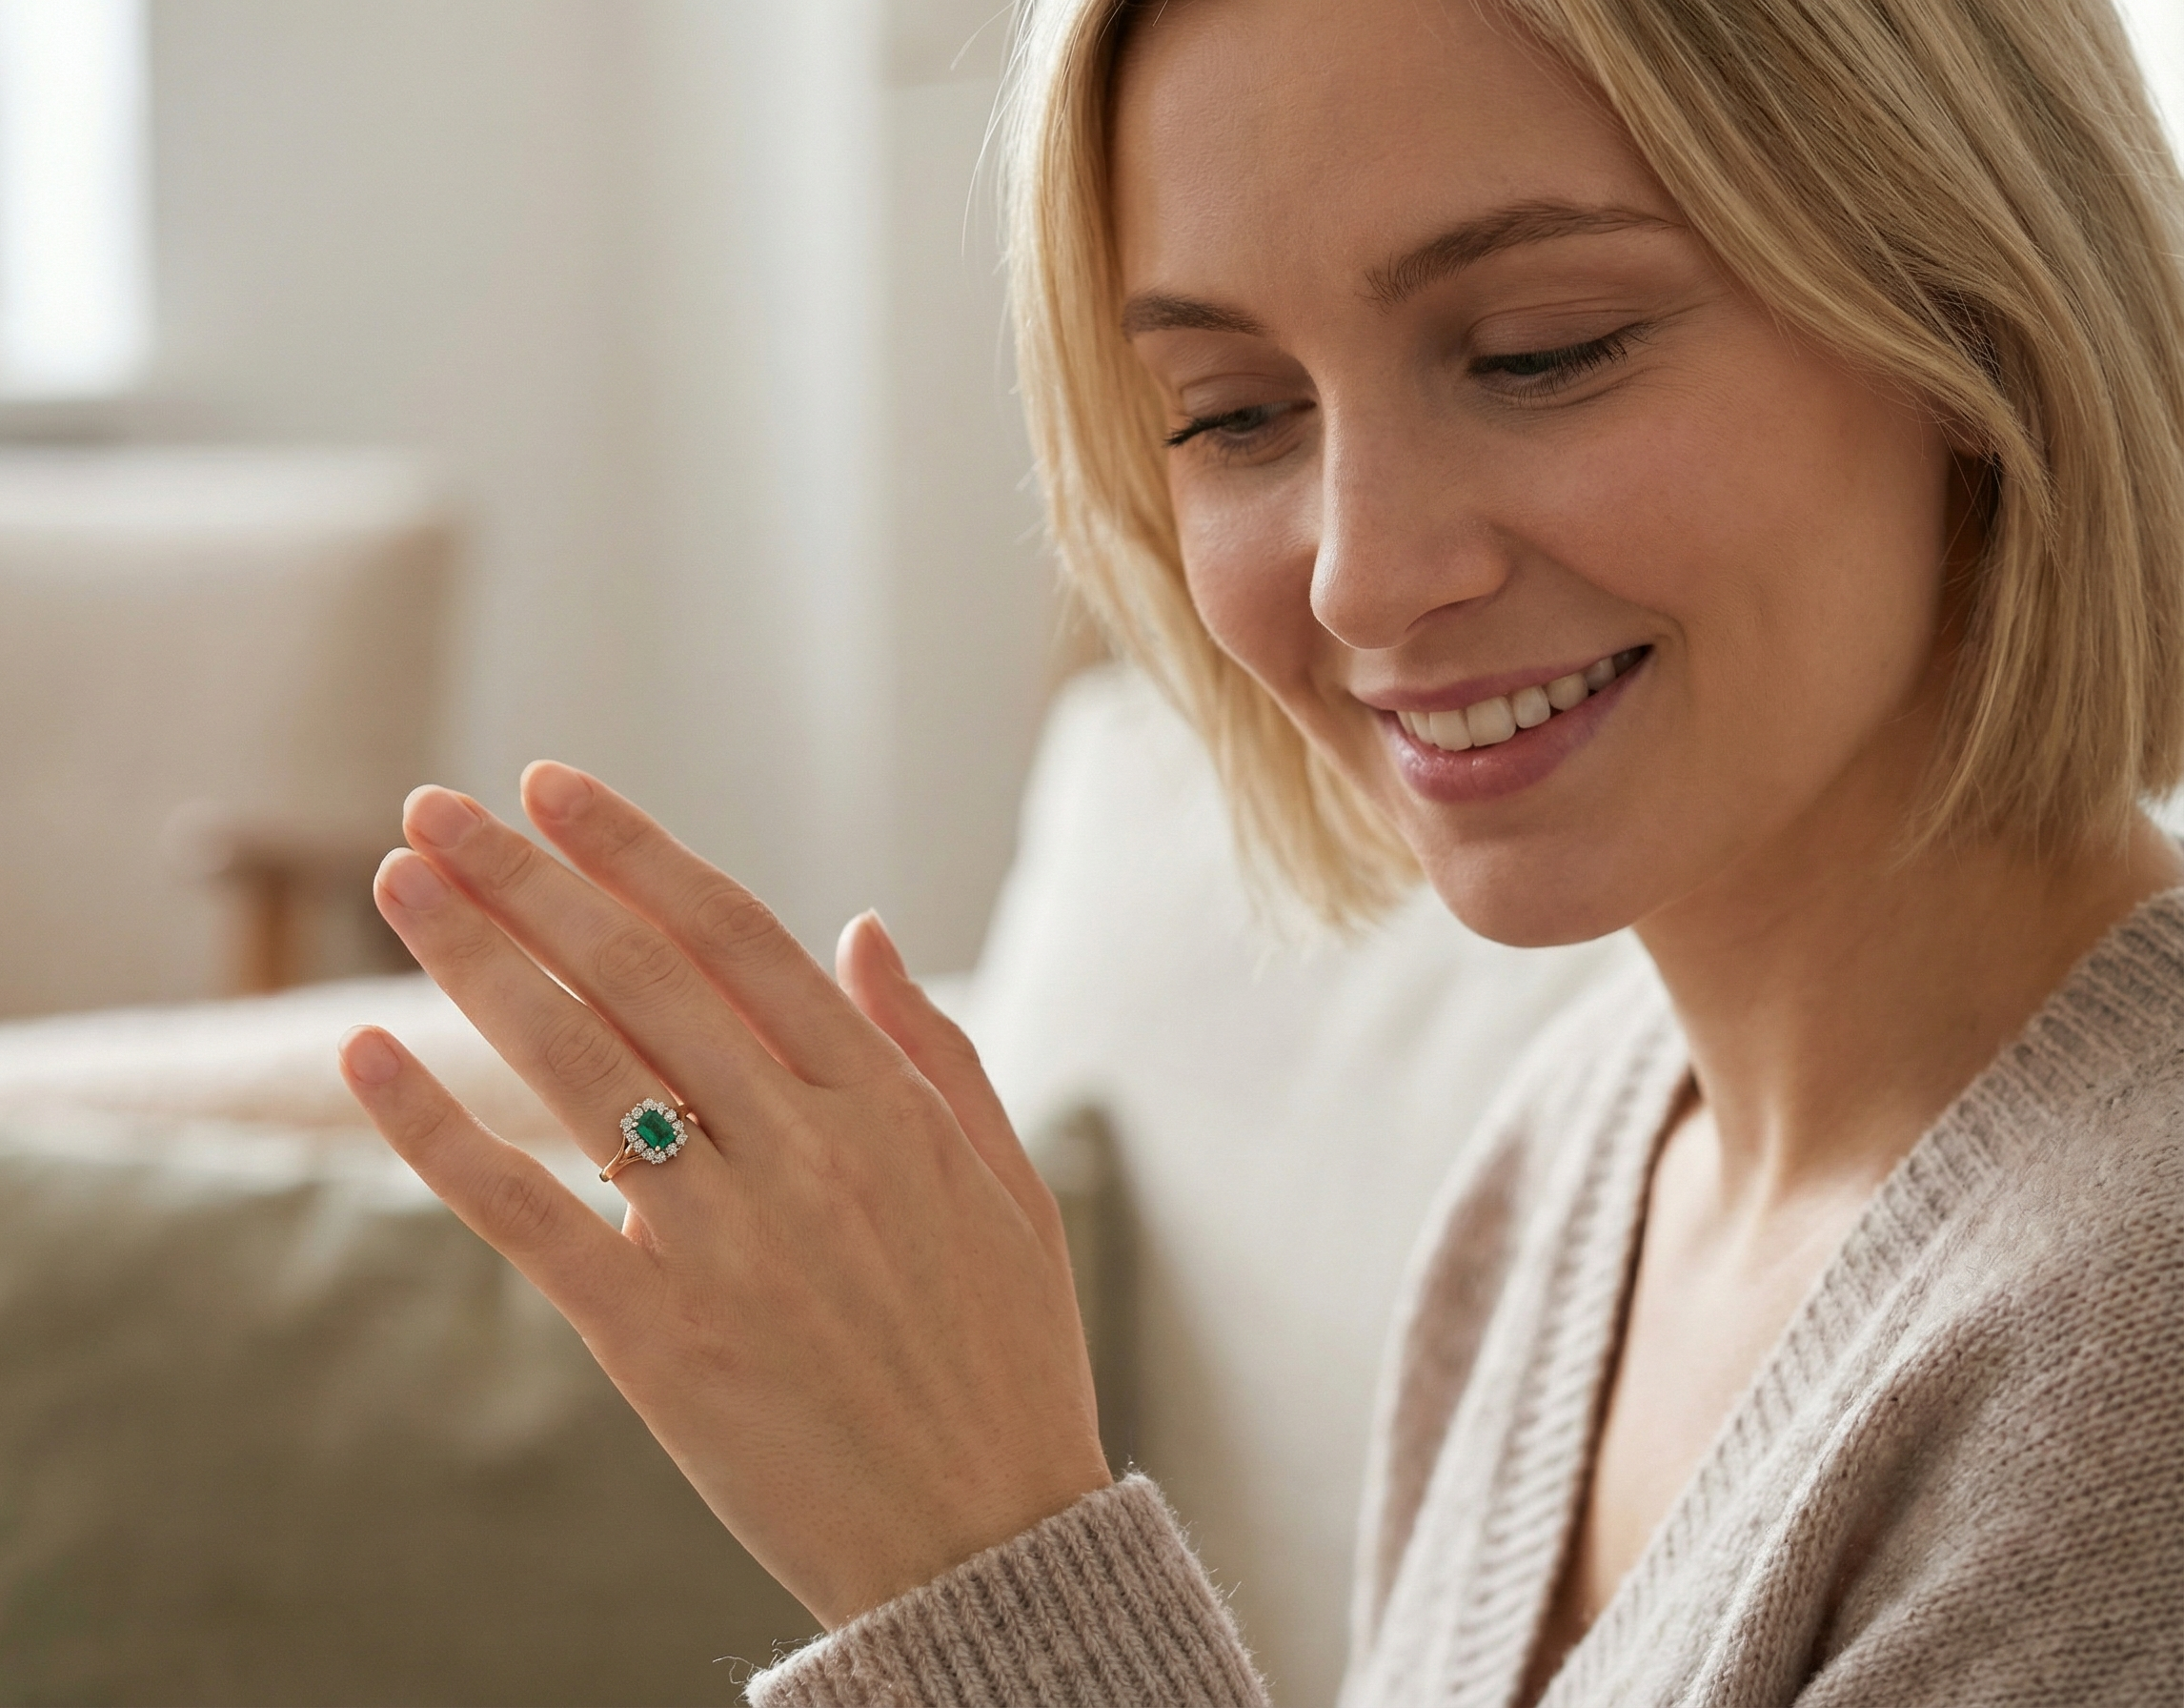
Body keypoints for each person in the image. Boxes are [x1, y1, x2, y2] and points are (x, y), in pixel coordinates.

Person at [336, 0, 2184, 1700]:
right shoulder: (1590, 1142)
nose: (1360, 572)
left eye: (1543, 349)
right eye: (1234, 413)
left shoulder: (2135, 1342)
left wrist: (977, 1557)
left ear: (1979, 314)